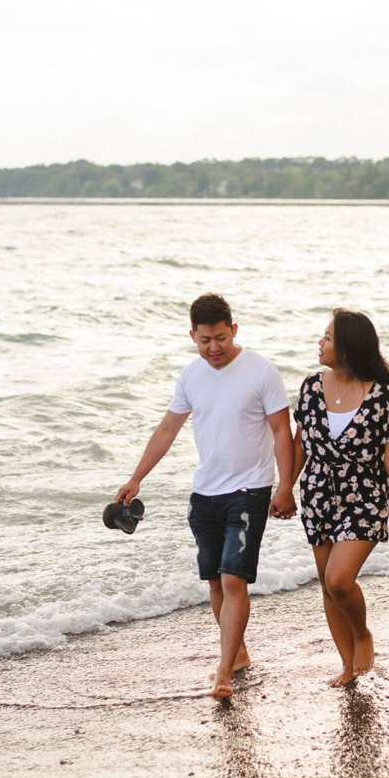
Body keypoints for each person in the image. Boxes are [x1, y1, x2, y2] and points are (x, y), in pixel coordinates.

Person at [114, 293, 294, 701]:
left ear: (234, 330)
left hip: (250, 490)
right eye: (204, 340)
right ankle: (239, 652)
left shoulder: (261, 371)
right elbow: (167, 430)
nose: (213, 348)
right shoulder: (191, 376)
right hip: (205, 494)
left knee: (234, 579)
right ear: (192, 335)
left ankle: (224, 670)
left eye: (220, 338)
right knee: (214, 580)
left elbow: (283, 431)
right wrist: (136, 478)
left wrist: (285, 486)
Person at [291, 309, 389, 687]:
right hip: (317, 494)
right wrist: (283, 488)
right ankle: (347, 666)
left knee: (340, 579)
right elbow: (301, 443)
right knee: (327, 585)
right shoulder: (312, 386)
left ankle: (362, 634)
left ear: (346, 346)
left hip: (364, 494)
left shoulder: (380, 394)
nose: (320, 342)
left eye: (327, 337)